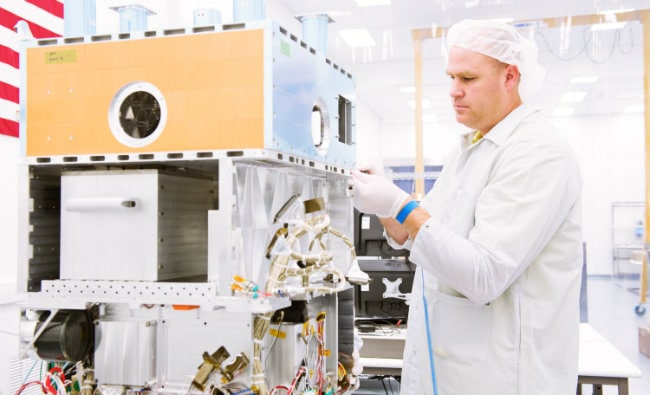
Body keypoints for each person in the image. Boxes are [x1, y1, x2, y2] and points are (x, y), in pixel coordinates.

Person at [351, 19, 583, 395]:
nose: (454, 92)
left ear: (510, 76)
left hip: (505, 375)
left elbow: (483, 275)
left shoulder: (536, 152)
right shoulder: (470, 151)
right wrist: (381, 203)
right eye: (451, 78)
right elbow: (418, 236)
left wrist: (400, 202)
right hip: (453, 368)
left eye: (468, 79)